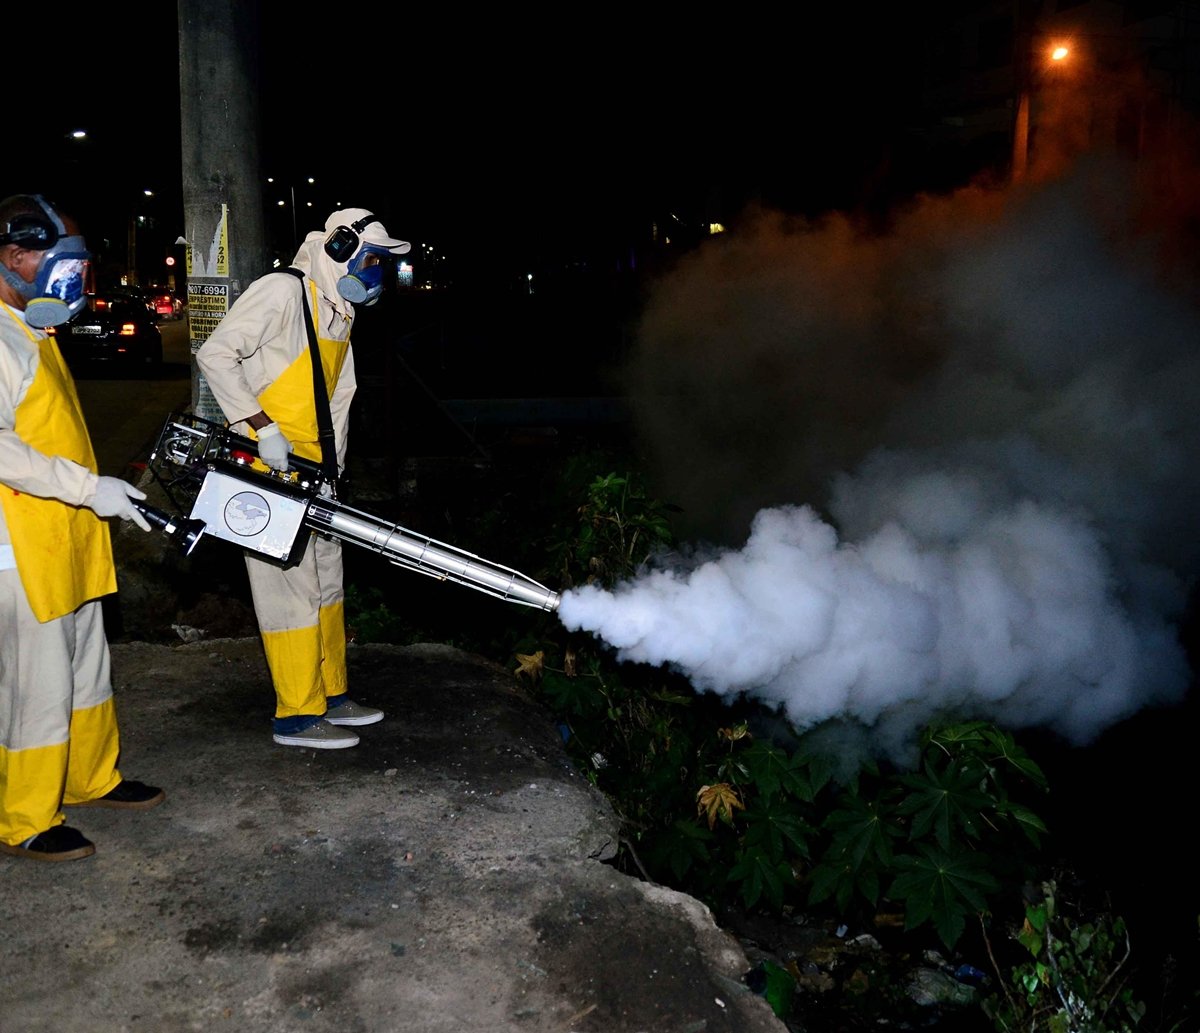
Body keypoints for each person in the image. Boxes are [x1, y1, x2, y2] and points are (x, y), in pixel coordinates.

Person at [196, 208, 410, 749]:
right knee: (288, 589)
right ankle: (296, 715)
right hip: (267, 468)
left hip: (316, 471)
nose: (378, 274)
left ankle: (332, 694)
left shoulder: (338, 311)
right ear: (338, 249)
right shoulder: (282, 292)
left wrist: (334, 471)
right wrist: (259, 426)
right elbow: (216, 353)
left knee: (327, 584)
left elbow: (340, 398)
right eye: (374, 261)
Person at [0, 193, 165, 863]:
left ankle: (92, 777)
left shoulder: (31, 331)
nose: (76, 283)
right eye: (63, 265)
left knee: (86, 670)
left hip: (67, 536)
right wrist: (86, 487)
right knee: (36, 684)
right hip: (20, 547)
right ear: (14, 258)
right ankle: (25, 817)